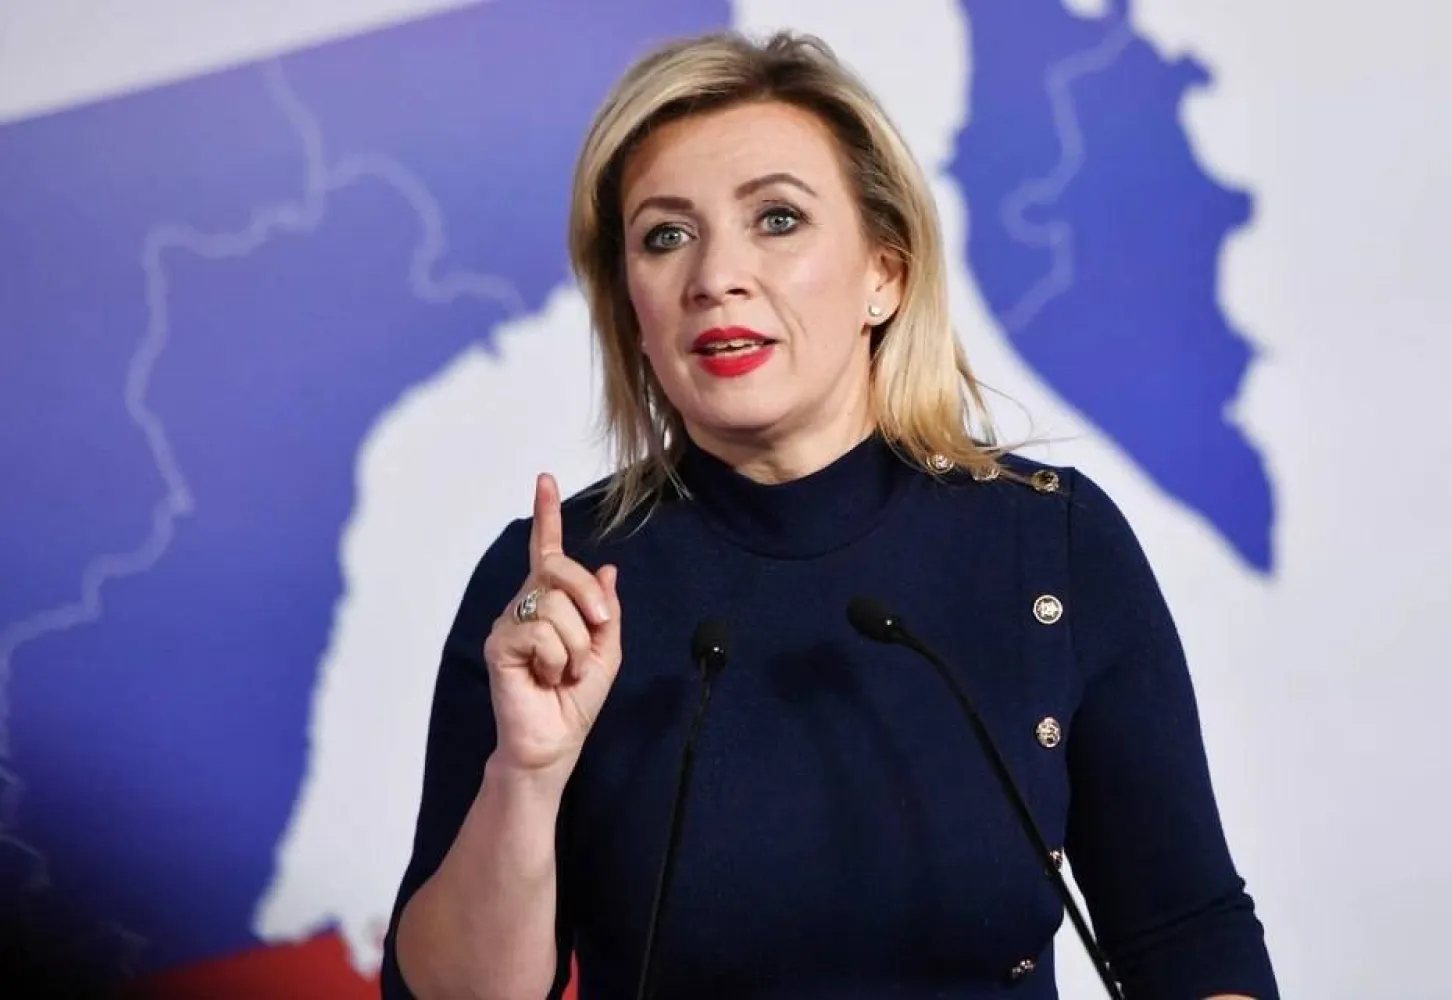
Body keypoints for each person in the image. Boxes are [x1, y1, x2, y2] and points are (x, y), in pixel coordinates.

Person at [379, 28, 1280, 1000]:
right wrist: (526, 773)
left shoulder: (1050, 543)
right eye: (666, 236)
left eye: (777, 219)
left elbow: (1189, 940)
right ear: (631, 305)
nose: (714, 276)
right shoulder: (554, 590)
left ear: (884, 274)